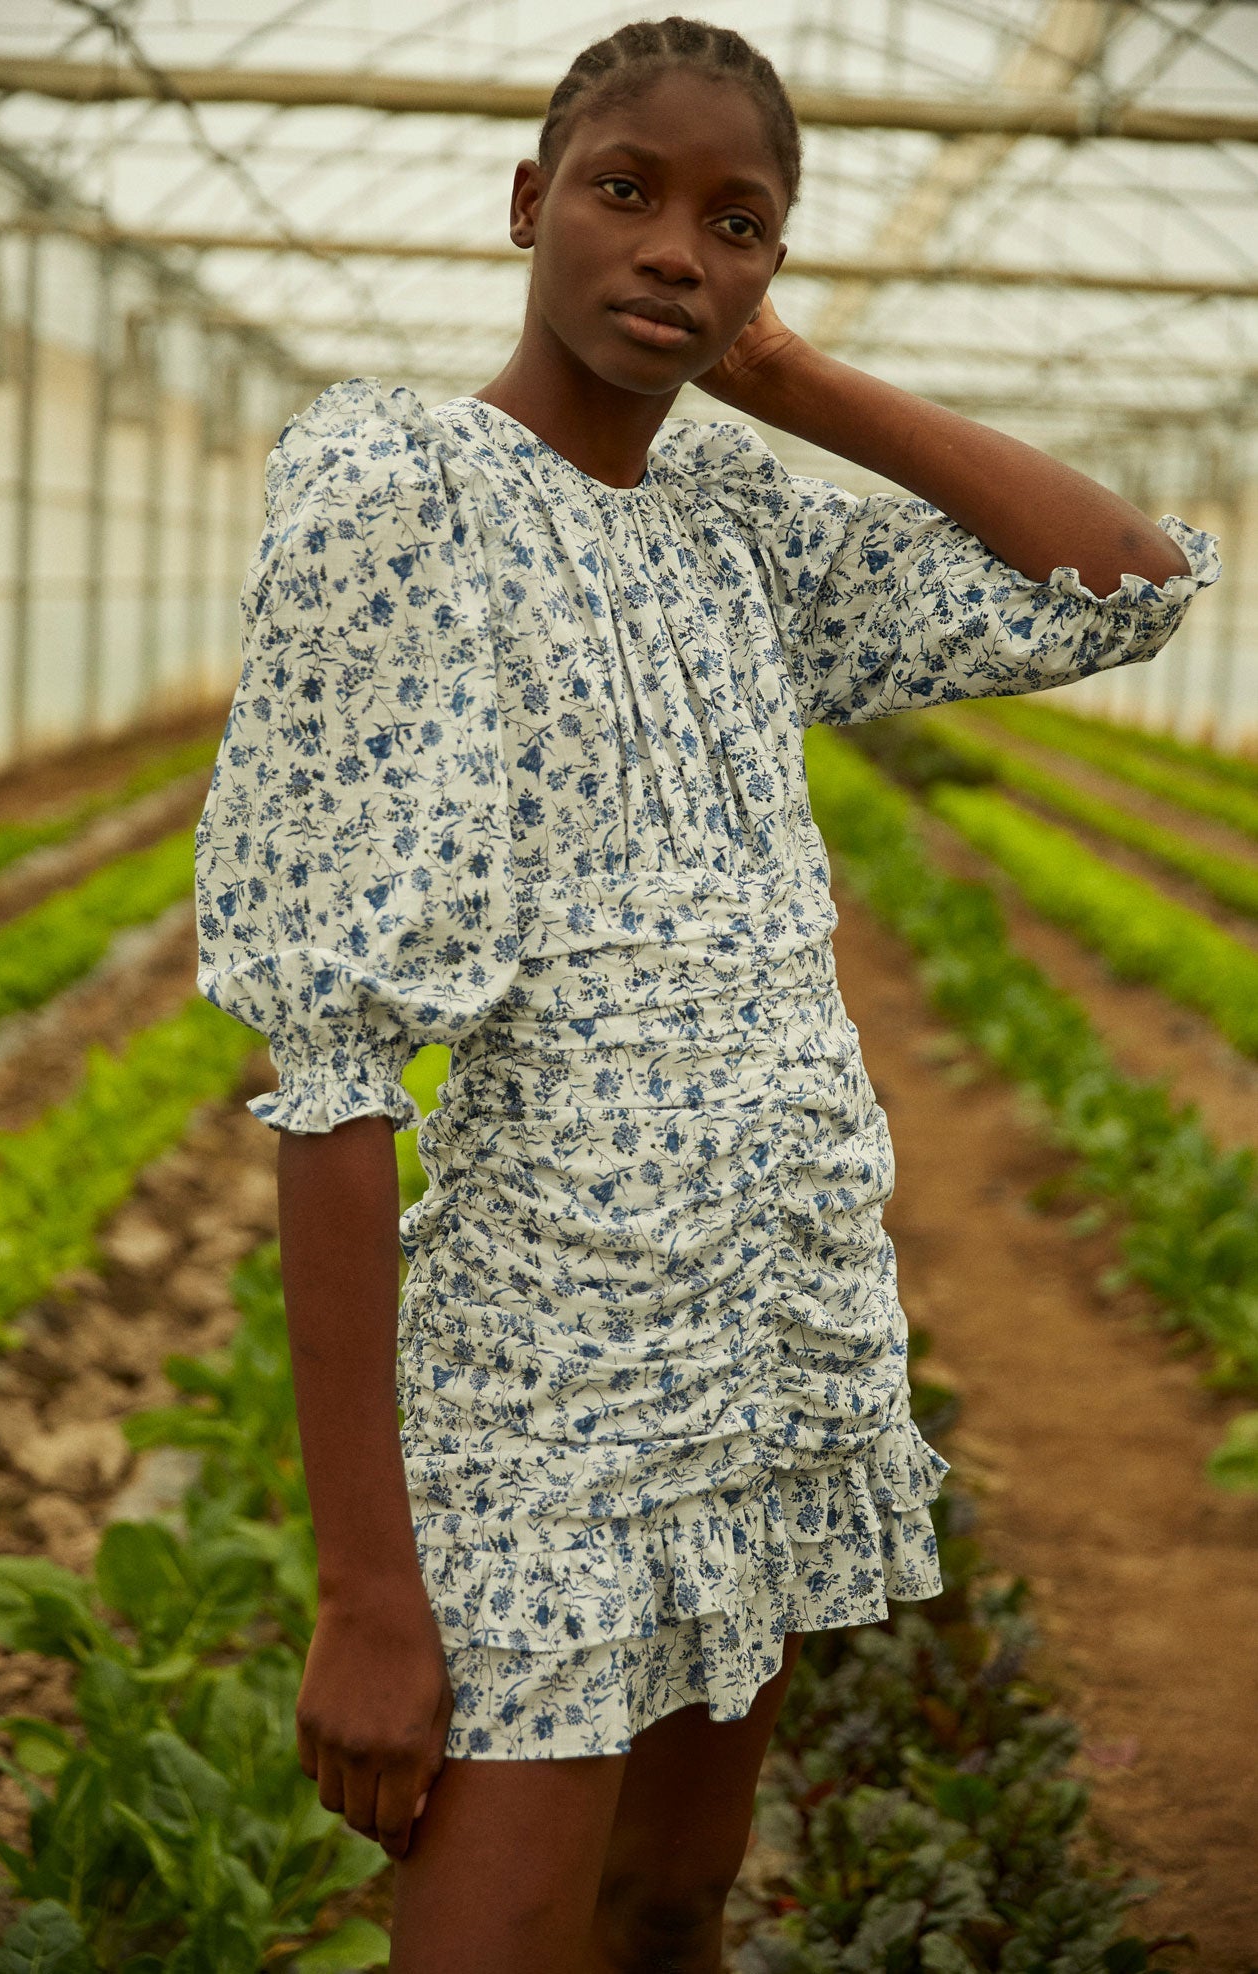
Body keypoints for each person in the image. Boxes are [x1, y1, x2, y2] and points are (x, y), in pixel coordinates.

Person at [193, 16, 1220, 1973]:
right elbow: (327, 1061)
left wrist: (778, 372)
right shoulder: (397, 489)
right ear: (527, 203)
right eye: (627, 192)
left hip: (763, 1326)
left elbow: (1136, 580)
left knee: (672, 1908)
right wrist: (367, 1590)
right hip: (550, 1371)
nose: (676, 248)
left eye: (737, 222)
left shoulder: (738, 538)